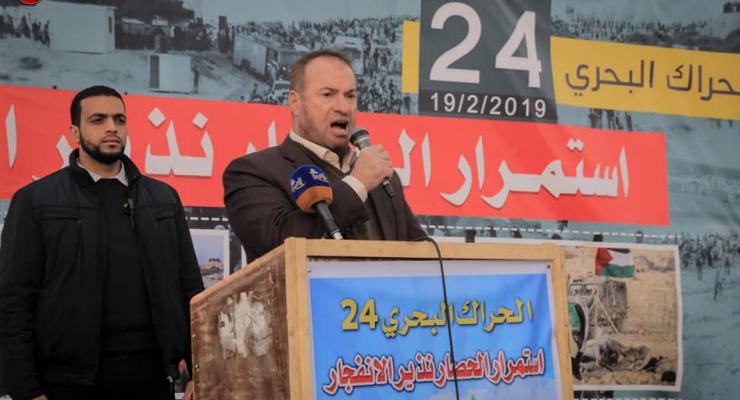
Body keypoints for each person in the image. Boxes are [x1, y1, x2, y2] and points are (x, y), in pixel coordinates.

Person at [0, 86, 204, 400]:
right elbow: (14, 300)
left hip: (152, 378)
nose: (112, 128)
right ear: (74, 132)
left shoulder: (163, 198)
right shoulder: (36, 201)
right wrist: (26, 390)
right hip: (67, 384)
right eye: (98, 120)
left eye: (119, 120)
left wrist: (198, 371)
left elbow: (190, 290)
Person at [224, 49, 425, 262]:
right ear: (295, 102)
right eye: (328, 95)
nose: (344, 107)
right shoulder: (252, 172)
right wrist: (357, 185)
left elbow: (421, 251)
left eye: (350, 96)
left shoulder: (383, 179)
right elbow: (278, 246)